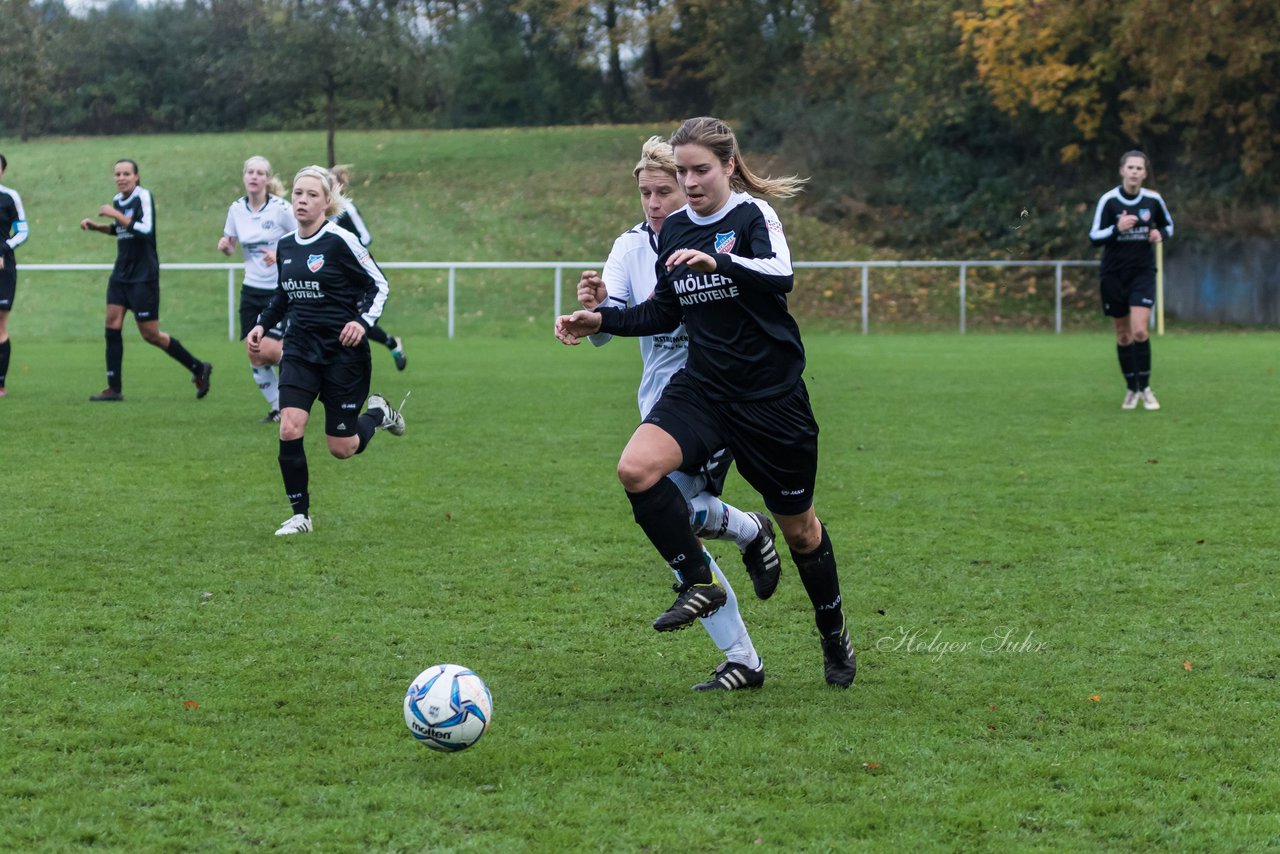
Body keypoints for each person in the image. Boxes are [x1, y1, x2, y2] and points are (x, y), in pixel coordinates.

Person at [555, 117, 856, 688]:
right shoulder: (673, 232)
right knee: (636, 469)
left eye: (699, 171)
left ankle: (832, 629)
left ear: (728, 168)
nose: (690, 183)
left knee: (802, 532)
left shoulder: (750, 216)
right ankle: (700, 580)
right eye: (683, 172)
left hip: (771, 398)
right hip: (705, 389)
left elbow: (780, 275)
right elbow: (663, 312)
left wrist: (720, 262)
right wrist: (601, 319)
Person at [576, 136, 780, 691]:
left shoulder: (718, 236)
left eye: (664, 190)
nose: (654, 203)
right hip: (661, 406)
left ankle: (743, 656)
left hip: (718, 399)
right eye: (645, 192)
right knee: (678, 519)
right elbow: (612, 324)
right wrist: (595, 309)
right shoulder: (630, 248)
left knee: (680, 523)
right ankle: (748, 528)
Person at [247, 165, 406, 536]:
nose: (301, 200)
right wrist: (261, 324)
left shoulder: (340, 241)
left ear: (327, 202)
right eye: (297, 194)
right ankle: (300, 515)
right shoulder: (286, 245)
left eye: (311, 195)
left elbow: (378, 285)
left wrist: (362, 323)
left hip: (342, 355)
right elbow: (283, 295)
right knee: (289, 427)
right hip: (300, 350)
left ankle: (378, 414)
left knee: (342, 447)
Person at [79, 159, 212, 402]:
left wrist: (115, 214)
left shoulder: (143, 197)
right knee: (111, 322)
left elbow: (145, 229)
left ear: (137, 176)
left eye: (126, 173)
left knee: (151, 334)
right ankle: (114, 388)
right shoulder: (118, 200)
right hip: (122, 273)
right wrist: (98, 226)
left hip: (143, 276)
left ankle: (198, 367)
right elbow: (121, 229)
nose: (121, 178)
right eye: (117, 174)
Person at [1089, 150, 1174, 411]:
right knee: (1123, 335)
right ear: (1122, 170)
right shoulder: (1109, 201)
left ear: (1145, 173)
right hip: (1114, 274)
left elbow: (1168, 227)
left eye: (1139, 168)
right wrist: (1117, 229)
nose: (1135, 172)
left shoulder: (1153, 200)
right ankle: (1130, 389)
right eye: (1131, 167)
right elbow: (1094, 236)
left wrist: (1158, 234)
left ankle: (1145, 388)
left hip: (1142, 273)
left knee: (1139, 330)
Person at [218, 156, 298, 423]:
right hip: (251, 290)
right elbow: (231, 243)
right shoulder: (236, 210)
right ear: (244, 177)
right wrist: (227, 247)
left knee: (268, 350)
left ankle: (303, 364)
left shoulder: (281, 209)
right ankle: (279, 409)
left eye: (260, 173)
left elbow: (305, 238)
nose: (254, 176)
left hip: (279, 291)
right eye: (250, 172)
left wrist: (280, 252)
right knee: (254, 352)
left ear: (267, 179)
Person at [329, 165, 406, 371]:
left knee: (360, 320)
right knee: (344, 320)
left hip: (356, 275)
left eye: (330, 182)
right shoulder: (319, 211)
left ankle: (389, 344)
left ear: (341, 186)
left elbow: (366, 237)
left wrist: (344, 248)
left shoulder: (347, 208)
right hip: (335, 276)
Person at [0, 153, 30, 398]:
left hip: (3, 268)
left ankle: (0, 385)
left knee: (0, 326)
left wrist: (4, 248)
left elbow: (22, 230)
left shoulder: (10, 197)